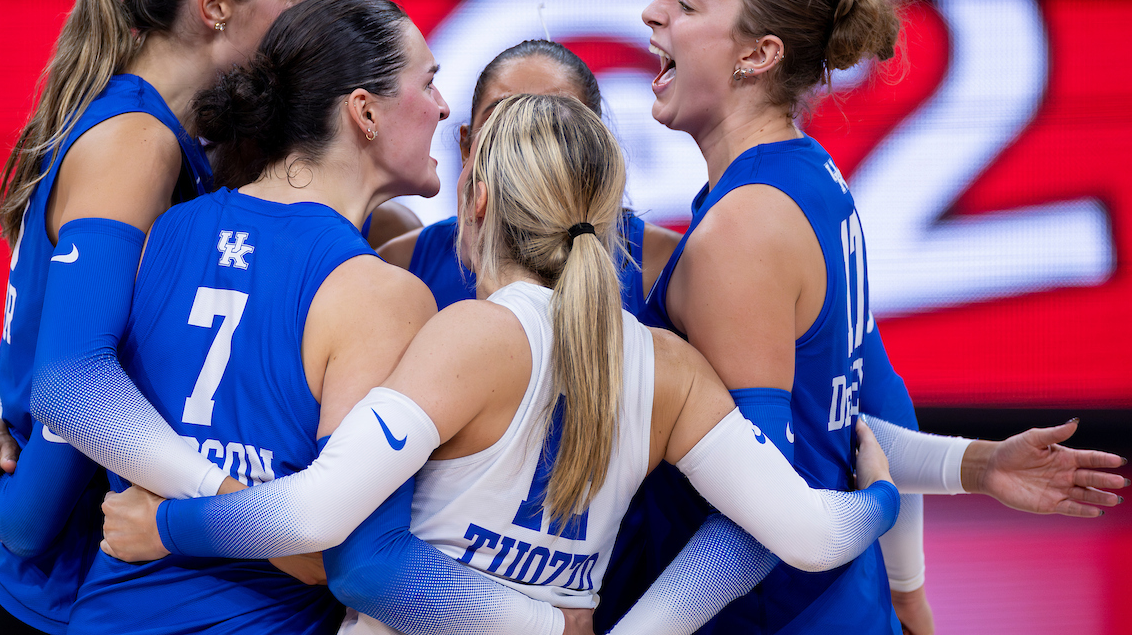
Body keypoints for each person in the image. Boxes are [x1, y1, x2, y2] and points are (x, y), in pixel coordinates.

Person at [98, 92, 905, 634]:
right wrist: (879, 497)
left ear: (478, 199)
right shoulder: (671, 368)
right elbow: (803, 534)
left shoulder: (471, 337)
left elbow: (325, 527)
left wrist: (166, 525)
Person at [0, 0, 604, 635]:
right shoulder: (382, 295)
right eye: (429, 83)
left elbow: (38, 485)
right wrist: (550, 625)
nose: (445, 108)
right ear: (365, 112)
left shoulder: (163, 228)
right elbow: (346, 560)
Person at [604, 0, 1128, 635]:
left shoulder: (743, 231)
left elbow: (757, 518)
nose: (653, 11)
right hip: (847, 606)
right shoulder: (813, 178)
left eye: (687, 1)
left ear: (757, 54)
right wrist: (962, 493)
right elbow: (866, 412)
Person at [0, 0, 321, 635]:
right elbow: (72, 384)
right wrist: (232, 505)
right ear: (215, 4)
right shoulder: (135, 142)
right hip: (57, 598)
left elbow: (38, 314)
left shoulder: (172, 129)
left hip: (73, 584)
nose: (317, 7)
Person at [378, 39, 680, 313]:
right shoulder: (400, 263)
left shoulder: (669, 263)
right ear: (466, 147)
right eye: (500, 120)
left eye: (557, 125)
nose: (524, 146)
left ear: (597, 150)